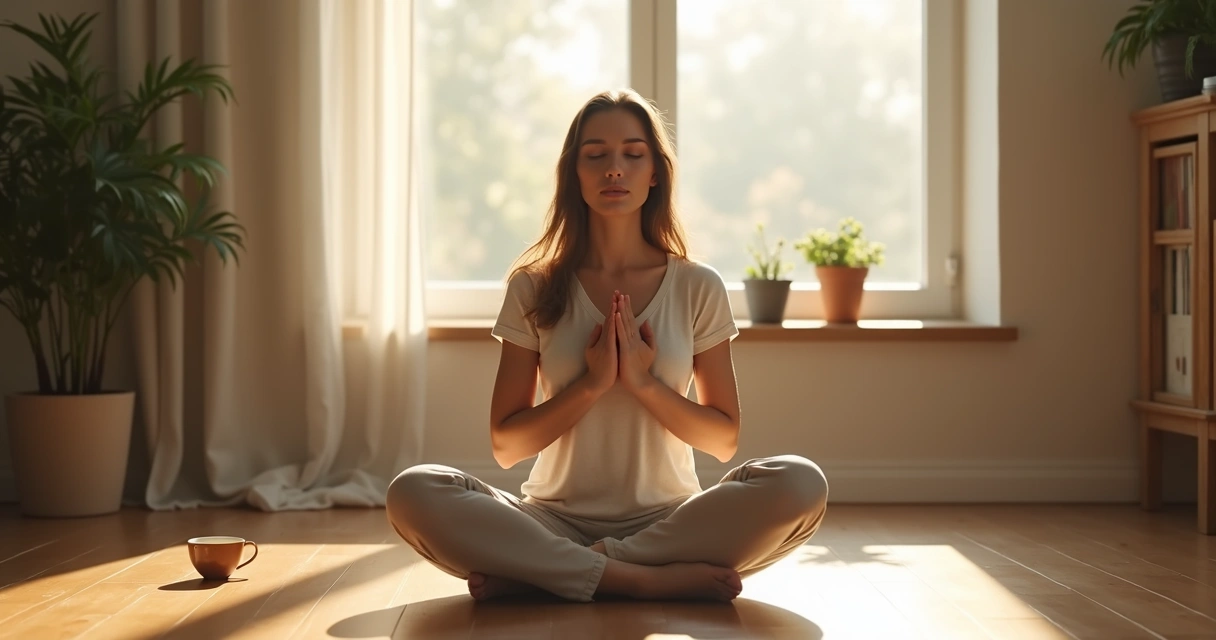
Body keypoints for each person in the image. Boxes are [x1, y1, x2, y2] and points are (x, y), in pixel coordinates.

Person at [385, 88, 828, 604]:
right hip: (549, 520)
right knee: (413, 490)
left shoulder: (696, 286)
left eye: (632, 154)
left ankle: (557, 574)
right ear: (574, 173)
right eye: (595, 156)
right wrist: (592, 385)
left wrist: (641, 383)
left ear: (655, 172)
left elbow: (723, 439)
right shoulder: (533, 285)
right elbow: (507, 446)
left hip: (671, 521)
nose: (613, 169)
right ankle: (638, 579)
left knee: (801, 483)